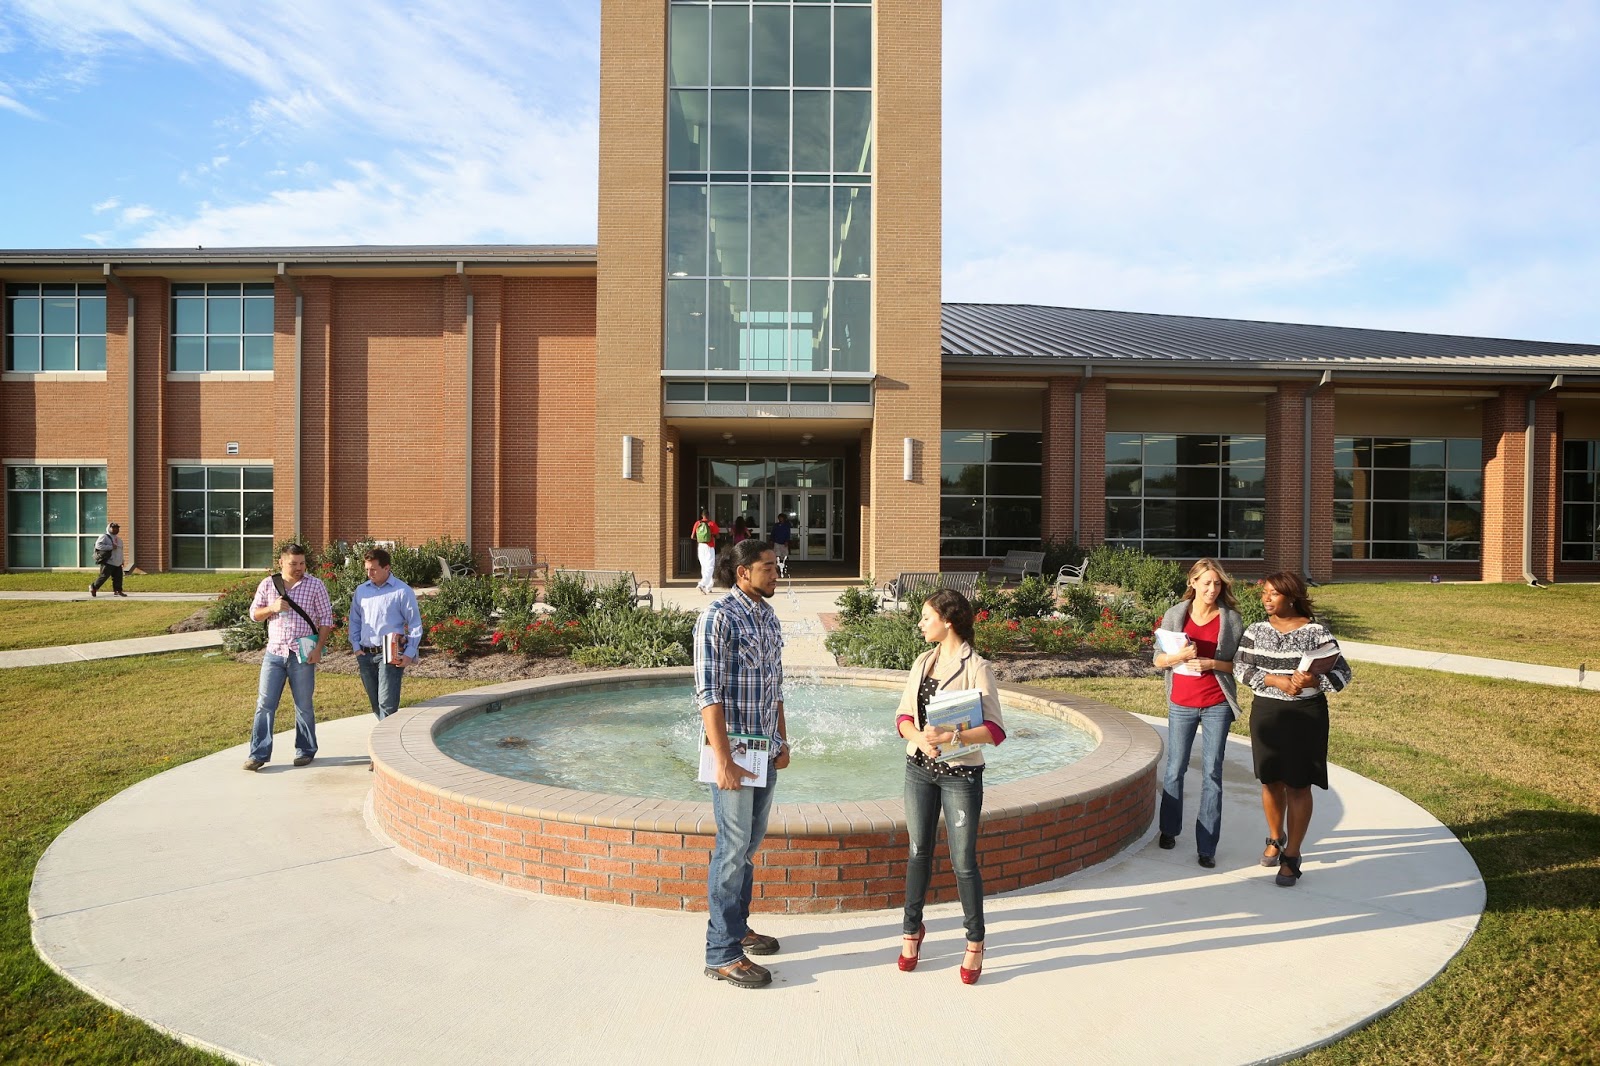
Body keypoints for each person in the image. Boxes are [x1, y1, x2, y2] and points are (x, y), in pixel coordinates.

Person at [894, 588, 1006, 985]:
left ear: (948, 621)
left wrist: (952, 737)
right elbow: (903, 717)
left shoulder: (977, 667)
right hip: (918, 769)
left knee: (963, 862)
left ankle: (975, 941)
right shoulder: (922, 662)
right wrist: (919, 738)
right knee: (918, 852)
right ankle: (911, 932)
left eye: (926, 617)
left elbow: (995, 730)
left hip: (961, 775)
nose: (920, 624)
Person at [695, 539, 790, 989]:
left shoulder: (768, 616)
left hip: (763, 749)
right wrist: (723, 759)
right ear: (743, 573)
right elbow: (708, 693)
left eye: (776, 566)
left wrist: (782, 740)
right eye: (767, 567)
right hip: (732, 752)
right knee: (732, 848)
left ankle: (737, 928)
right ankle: (721, 953)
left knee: (748, 846)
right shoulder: (718, 617)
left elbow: (776, 687)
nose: (776, 574)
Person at [1234, 571, 1353, 887]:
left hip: (1305, 715)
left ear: (1291, 597)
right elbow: (1240, 667)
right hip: (1267, 713)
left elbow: (1343, 674)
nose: (1266, 598)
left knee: (1299, 785)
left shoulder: (1317, 633)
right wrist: (1275, 680)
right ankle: (1276, 838)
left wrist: (1315, 680)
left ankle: (1293, 854)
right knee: (1270, 780)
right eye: (1265, 593)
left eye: (1273, 593)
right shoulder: (1256, 630)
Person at [1153, 558, 1244, 868]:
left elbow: (1240, 666)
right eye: (1206, 583)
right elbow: (1158, 659)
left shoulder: (1231, 619)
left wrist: (1212, 663)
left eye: (1217, 583)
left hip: (1217, 703)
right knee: (1174, 768)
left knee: (1212, 774)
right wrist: (1179, 656)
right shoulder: (1175, 615)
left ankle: (1207, 846)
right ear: (1192, 583)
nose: (1212, 589)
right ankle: (1168, 829)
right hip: (1182, 702)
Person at [243, 543, 334, 771]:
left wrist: (318, 649)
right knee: (265, 704)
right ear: (281, 562)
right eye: (293, 564)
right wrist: (272, 608)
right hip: (274, 653)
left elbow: (326, 619)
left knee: (303, 705)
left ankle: (305, 750)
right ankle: (258, 754)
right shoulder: (268, 584)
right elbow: (254, 614)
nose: (299, 568)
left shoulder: (315, 585)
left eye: (302, 563)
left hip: (302, 654)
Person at [348, 547, 423, 726]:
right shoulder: (361, 591)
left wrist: (409, 653)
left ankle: (386, 740)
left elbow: (415, 624)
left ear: (387, 568)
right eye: (367, 569)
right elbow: (355, 620)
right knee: (375, 704)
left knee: (387, 704)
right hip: (365, 654)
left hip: (390, 653)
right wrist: (356, 647)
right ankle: (388, 735)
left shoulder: (402, 591)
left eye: (373, 569)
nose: (369, 573)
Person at [89, 522, 126, 597]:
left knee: (118, 577)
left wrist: (122, 560)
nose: (116, 529)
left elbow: (120, 550)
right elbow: (98, 546)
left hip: (117, 562)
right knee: (104, 576)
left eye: (117, 528)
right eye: (113, 528)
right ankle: (94, 588)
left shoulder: (119, 539)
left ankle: (118, 591)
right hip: (108, 561)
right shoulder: (104, 536)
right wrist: (111, 547)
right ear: (109, 528)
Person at [691, 509, 719, 594]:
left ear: (701, 515)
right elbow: (718, 535)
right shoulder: (712, 524)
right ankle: (702, 584)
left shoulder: (697, 523)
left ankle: (708, 587)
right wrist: (711, 536)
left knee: (704, 566)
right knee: (710, 566)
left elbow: (692, 536)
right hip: (709, 546)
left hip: (700, 546)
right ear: (708, 515)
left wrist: (701, 538)